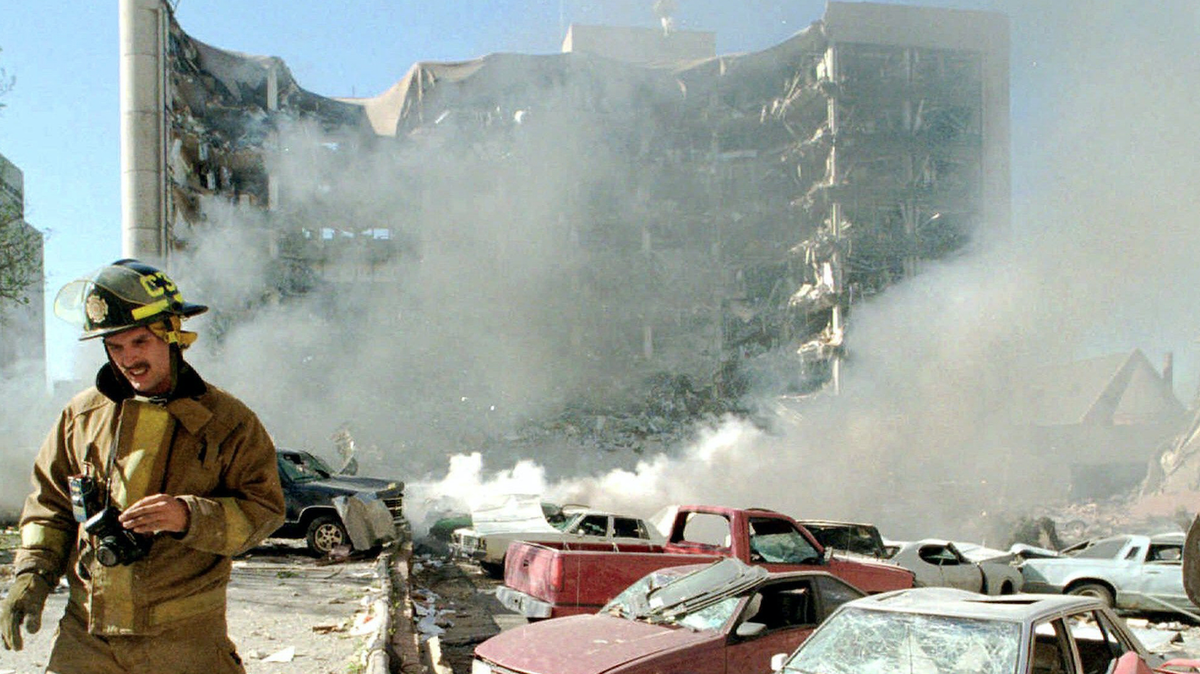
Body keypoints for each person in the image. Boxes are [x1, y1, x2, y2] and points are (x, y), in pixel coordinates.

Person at [0, 259, 285, 673]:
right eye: (114, 347)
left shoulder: (229, 422)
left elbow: (264, 510)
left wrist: (188, 515)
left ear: (173, 336)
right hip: (88, 638)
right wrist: (32, 575)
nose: (127, 359)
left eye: (139, 342)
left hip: (184, 642)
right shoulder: (82, 417)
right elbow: (50, 506)